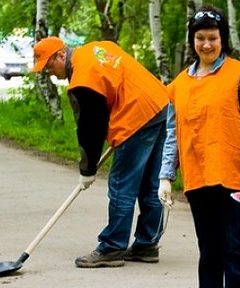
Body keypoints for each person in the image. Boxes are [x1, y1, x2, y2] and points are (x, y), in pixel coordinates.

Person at [158, 5, 240, 288]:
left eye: (212, 38)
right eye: (200, 38)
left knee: (234, 244)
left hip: (232, 173)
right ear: (192, 40)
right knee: (208, 245)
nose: (206, 44)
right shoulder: (179, 84)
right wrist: (165, 175)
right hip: (197, 173)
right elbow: (172, 133)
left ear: (222, 40)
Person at [30, 36, 169, 268]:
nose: (50, 73)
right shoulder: (97, 47)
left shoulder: (83, 79)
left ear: (61, 55)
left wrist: (87, 168)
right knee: (151, 184)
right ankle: (147, 244)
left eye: (49, 66)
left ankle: (113, 247)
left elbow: (90, 127)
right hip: (161, 105)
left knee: (121, 186)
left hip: (135, 117)